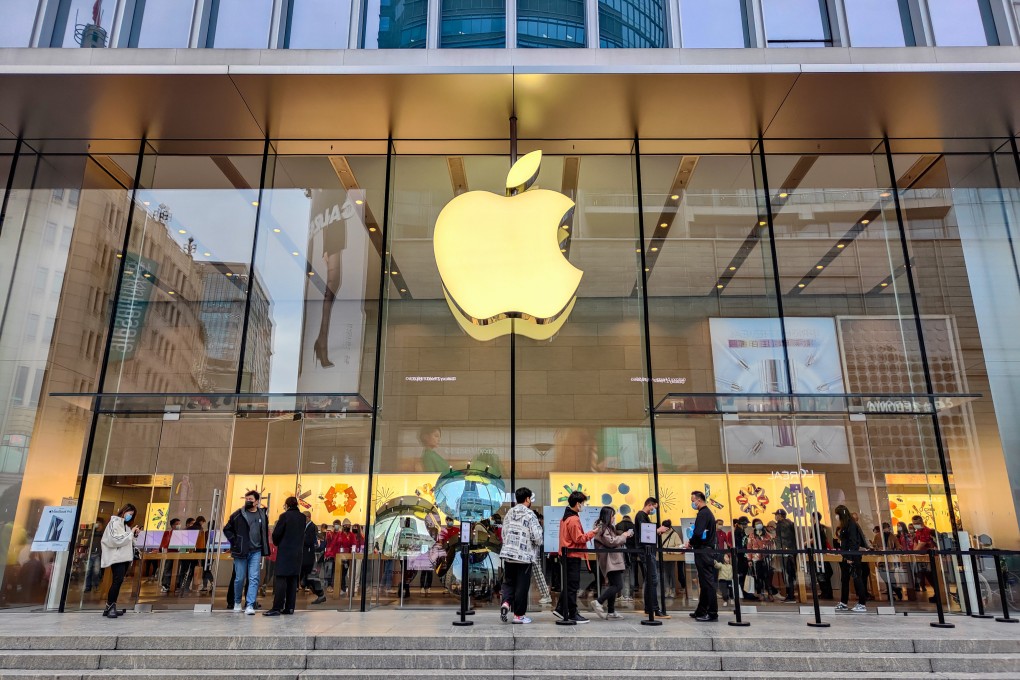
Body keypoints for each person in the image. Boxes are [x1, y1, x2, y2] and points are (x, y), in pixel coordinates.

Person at [498, 487, 543, 624]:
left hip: (509, 554)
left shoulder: (509, 513)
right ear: (527, 499)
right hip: (524, 557)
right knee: (522, 586)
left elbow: (504, 534)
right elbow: (537, 537)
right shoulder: (530, 515)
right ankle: (518, 615)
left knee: (509, 582)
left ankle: (506, 602)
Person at [553, 491, 599, 624]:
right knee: (573, 586)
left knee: (569, 585)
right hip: (572, 555)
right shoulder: (573, 519)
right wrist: (593, 533)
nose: (583, 506)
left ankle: (561, 608)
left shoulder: (565, 517)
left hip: (567, 555)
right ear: (578, 503)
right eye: (583, 503)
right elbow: (578, 538)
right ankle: (572, 613)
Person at [223, 490, 270, 615]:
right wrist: (235, 541)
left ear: (257, 502)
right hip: (241, 551)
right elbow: (227, 529)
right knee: (239, 578)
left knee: (254, 578)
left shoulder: (262, 515)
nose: (248, 501)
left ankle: (250, 604)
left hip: (256, 551)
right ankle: (237, 601)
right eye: (246, 499)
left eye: (251, 500)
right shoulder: (238, 514)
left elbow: (264, 532)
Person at [264, 496, 305, 616]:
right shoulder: (302, 517)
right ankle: (290, 607)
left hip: (285, 552)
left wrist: (277, 542)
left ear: (287, 505)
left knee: (281, 579)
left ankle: (277, 607)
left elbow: (276, 534)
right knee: (293, 580)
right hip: (297, 553)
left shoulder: (285, 516)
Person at [591, 506, 632, 620]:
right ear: (607, 516)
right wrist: (623, 536)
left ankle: (611, 611)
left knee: (614, 584)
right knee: (618, 585)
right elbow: (611, 542)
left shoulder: (607, 528)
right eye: (612, 515)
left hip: (613, 559)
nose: (614, 518)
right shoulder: (602, 528)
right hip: (610, 560)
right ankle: (598, 602)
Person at [100, 504, 140, 618]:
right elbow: (115, 540)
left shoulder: (125, 526)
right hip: (117, 557)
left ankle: (110, 606)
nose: (130, 516)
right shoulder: (114, 523)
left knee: (119, 581)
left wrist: (134, 534)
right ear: (123, 511)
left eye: (132, 515)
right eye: (129, 513)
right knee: (117, 581)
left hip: (125, 557)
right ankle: (110, 605)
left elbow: (128, 541)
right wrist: (131, 533)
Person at [634, 497, 670, 619]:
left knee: (650, 580)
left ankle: (649, 608)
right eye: (654, 507)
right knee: (653, 579)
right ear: (650, 505)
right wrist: (657, 530)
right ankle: (654, 609)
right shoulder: (641, 516)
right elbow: (645, 533)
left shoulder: (643, 516)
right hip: (646, 552)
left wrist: (657, 531)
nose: (654, 510)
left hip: (648, 551)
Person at [689, 490, 718, 621]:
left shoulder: (703, 514)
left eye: (692, 501)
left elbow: (698, 532)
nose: (692, 503)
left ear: (699, 500)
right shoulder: (707, 513)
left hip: (704, 551)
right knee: (704, 582)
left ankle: (712, 612)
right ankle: (701, 610)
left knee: (707, 582)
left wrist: (690, 542)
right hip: (706, 550)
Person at [834, 505, 868, 613]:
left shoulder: (851, 525)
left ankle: (862, 603)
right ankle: (843, 602)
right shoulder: (844, 525)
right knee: (844, 579)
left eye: (837, 515)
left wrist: (850, 556)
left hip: (852, 556)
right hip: (845, 555)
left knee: (857, 578)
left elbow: (853, 542)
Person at [302, 512, 327, 605]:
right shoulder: (306, 527)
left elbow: (309, 541)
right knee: (307, 577)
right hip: (305, 555)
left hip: (308, 555)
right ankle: (320, 594)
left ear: (308, 518)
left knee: (310, 577)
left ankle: (320, 594)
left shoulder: (312, 527)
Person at [747, 519, 774, 602]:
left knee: (767, 577)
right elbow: (749, 548)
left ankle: (770, 593)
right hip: (755, 558)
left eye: (760, 523)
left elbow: (772, 545)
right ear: (754, 525)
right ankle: (760, 593)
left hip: (766, 558)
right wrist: (749, 559)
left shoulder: (767, 535)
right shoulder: (751, 536)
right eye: (757, 524)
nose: (759, 525)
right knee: (758, 577)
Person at [773, 508, 798, 602]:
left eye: (776, 515)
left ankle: (790, 595)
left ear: (780, 516)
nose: (775, 516)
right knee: (790, 573)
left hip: (786, 552)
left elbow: (782, 538)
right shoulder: (790, 523)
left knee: (787, 574)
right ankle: (790, 594)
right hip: (791, 552)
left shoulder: (782, 525)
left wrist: (777, 545)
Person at [910, 514, 936, 600]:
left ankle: (938, 594)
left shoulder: (926, 531)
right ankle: (936, 593)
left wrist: (914, 552)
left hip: (929, 557)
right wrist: (913, 552)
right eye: (914, 523)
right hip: (921, 557)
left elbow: (922, 543)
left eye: (916, 523)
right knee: (926, 575)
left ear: (921, 522)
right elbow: (916, 543)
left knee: (932, 576)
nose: (915, 525)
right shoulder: (918, 531)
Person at [809, 511, 834, 600]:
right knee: (824, 572)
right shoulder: (820, 527)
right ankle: (827, 593)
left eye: (811, 517)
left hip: (819, 553)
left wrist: (806, 543)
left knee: (821, 573)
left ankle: (826, 593)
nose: (810, 519)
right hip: (821, 552)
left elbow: (815, 539)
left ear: (814, 518)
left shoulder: (816, 527)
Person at [615, 513, 636, 601]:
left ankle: (619, 594)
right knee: (631, 574)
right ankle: (629, 594)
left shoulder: (617, 525)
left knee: (619, 574)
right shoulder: (634, 526)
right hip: (632, 553)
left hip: (619, 552)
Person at [733, 517, 754, 601]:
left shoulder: (740, 531)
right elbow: (741, 544)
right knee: (743, 575)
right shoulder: (738, 532)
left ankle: (746, 593)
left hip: (741, 556)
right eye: (745, 524)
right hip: (741, 556)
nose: (746, 525)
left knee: (743, 575)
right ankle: (745, 593)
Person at [660, 519, 683, 599]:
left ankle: (673, 591)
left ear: (669, 527)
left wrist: (670, 550)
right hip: (663, 557)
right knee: (665, 574)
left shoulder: (674, 534)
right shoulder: (660, 533)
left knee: (673, 574)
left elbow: (679, 546)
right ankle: (667, 591)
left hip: (672, 557)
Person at [84, 517, 105, 593]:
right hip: (90, 554)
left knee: (96, 571)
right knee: (88, 571)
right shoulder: (92, 534)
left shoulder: (103, 534)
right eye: (96, 523)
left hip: (98, 555)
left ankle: (96, 585)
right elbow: (88, 543)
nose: (98, 524)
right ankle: (88, 587)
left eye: (99, 523)